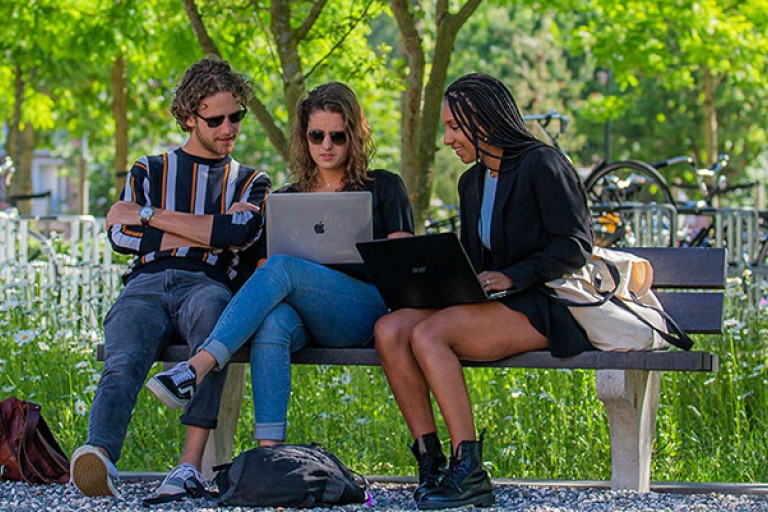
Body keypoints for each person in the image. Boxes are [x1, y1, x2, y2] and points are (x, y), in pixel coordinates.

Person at [146, 82, 414, 446]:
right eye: (316, 136)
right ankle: (269, 453)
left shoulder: (383, 186)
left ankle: (196, 367)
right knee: (272, 322)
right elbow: (261, 268)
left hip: (362, 311)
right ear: (304, 138)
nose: (326, 146)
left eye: (338, 136)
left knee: (284, 267)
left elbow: (403, 267)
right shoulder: (286, 198)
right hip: (303, 317)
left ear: (355, 135)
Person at [373, 73, 594, 510]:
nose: (448, 139)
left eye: (454, 127)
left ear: (483, 120)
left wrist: (515, 276)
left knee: (429, 335)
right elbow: (475, 260)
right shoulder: (471, 183)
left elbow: (575, 246)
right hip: (491, 302)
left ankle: (470, 471)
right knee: (391, 328)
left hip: (541, 302)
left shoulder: (542, 164)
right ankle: (431, 462)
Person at [70, 56, 271, 498]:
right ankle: (98, 456)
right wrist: (212, 230)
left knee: (214, 331)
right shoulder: (149, 168)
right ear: (187, 118)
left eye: (236, 116)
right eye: (215, 119)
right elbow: (122, 236)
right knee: (123, 361)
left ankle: (187, 465)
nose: (228, 128)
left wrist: (151, 217)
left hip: (208, 285)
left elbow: (239, 234)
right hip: (145, 284)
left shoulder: (252, 180)